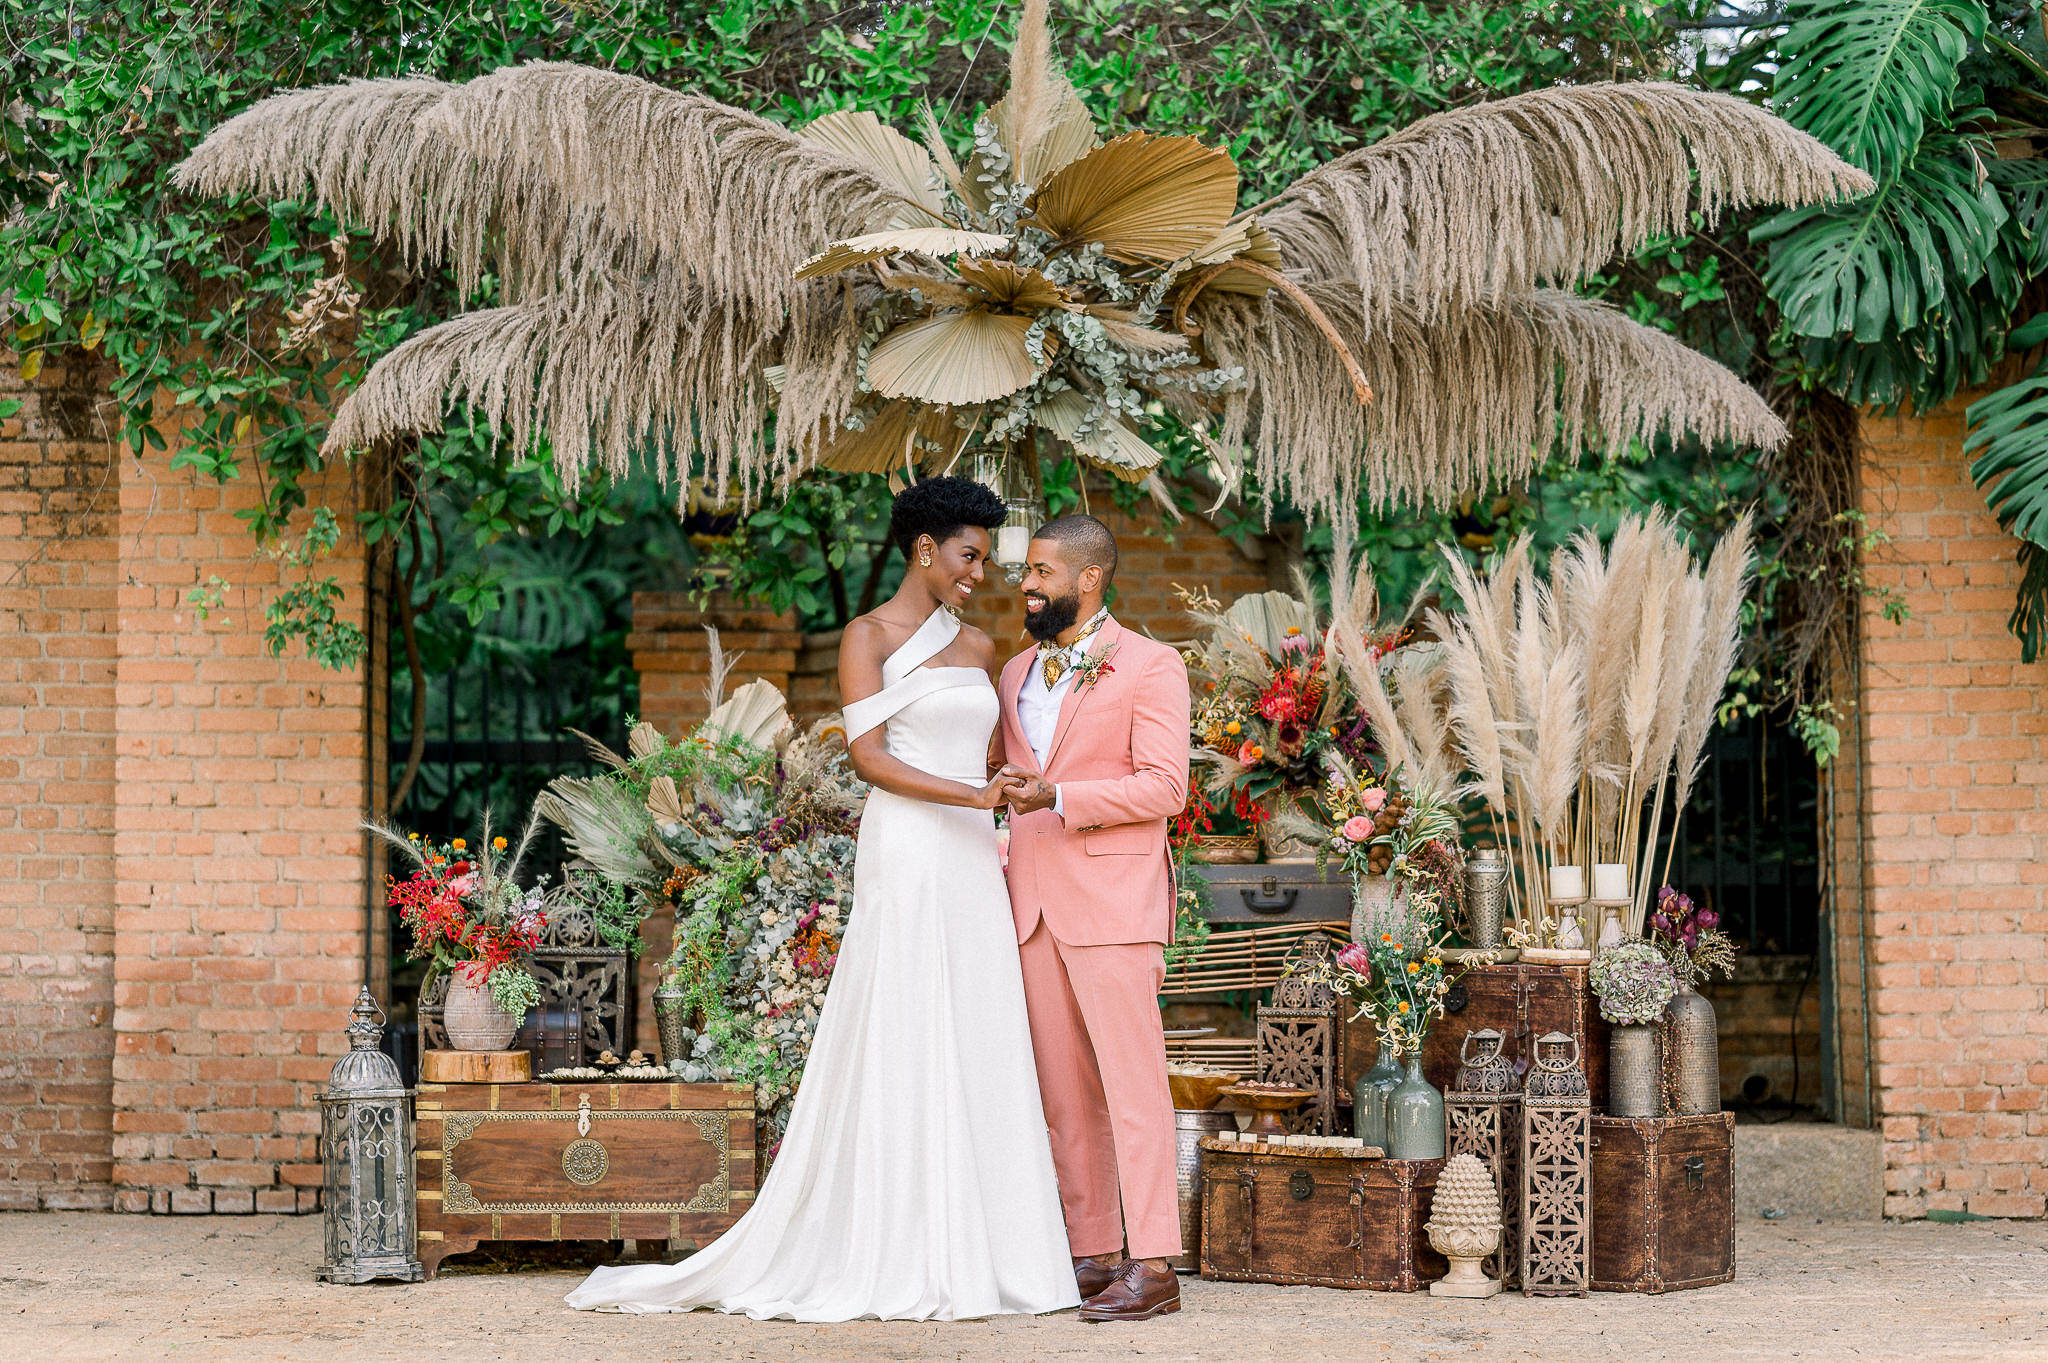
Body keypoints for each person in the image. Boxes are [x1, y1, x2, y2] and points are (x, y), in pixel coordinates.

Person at [565, 477, 1078, 1321]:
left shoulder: (983, 647)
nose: (979, 574)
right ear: (925, 548)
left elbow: (985, 754)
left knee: (978, 1021)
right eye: (968, 555)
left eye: (985, 559)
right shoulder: (866, 636)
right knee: (904, 1019)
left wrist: (1001, 791)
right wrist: (967, 797)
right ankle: (894, 1241)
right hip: (910, 846)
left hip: (970, 856)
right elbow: (870, 758)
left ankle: (996, 1249)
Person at [996, 514, 1192, 1323]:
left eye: (1040, 570)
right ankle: (1092, 1252)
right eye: (1025, 570)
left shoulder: (1151, 664)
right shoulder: (1013, 672)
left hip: (1113, 904)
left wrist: (1063, 797)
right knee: (1066, 1092)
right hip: (1032, 904)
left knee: (1134, 1084)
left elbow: (1165, 786)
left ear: (1088, 578)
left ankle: (1155, 1261)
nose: (1026, 584)